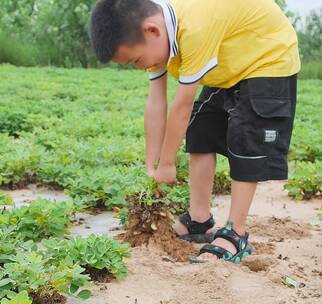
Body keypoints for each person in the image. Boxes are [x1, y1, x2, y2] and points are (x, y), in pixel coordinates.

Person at [89, 0, 300, 263]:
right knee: (201, 129)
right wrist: (150, 166)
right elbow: (156, 103)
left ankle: (236, 233)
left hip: (267, 58)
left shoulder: (195, 27)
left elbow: (182, 104)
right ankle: (199, 219)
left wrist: (167, 164)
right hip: (229, 62)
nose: (139, 67)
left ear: (151, 30)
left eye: (137, 60)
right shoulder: (160, 34)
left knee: (246, 138)